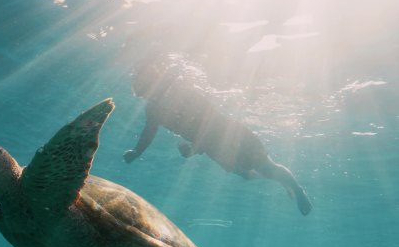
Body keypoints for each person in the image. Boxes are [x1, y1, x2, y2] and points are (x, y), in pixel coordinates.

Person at [123, 53, 313, 216]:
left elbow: (211, 122)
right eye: (143, 94)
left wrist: (194, 148)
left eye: (146, 90)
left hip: (233, 135)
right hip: (213, 148)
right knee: (245, 175)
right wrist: (136, 151)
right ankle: (282, 182)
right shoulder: (153, 110)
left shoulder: (184, 92)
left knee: (266, 167)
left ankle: (297, 189)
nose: (147, 97)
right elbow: (148, 133)